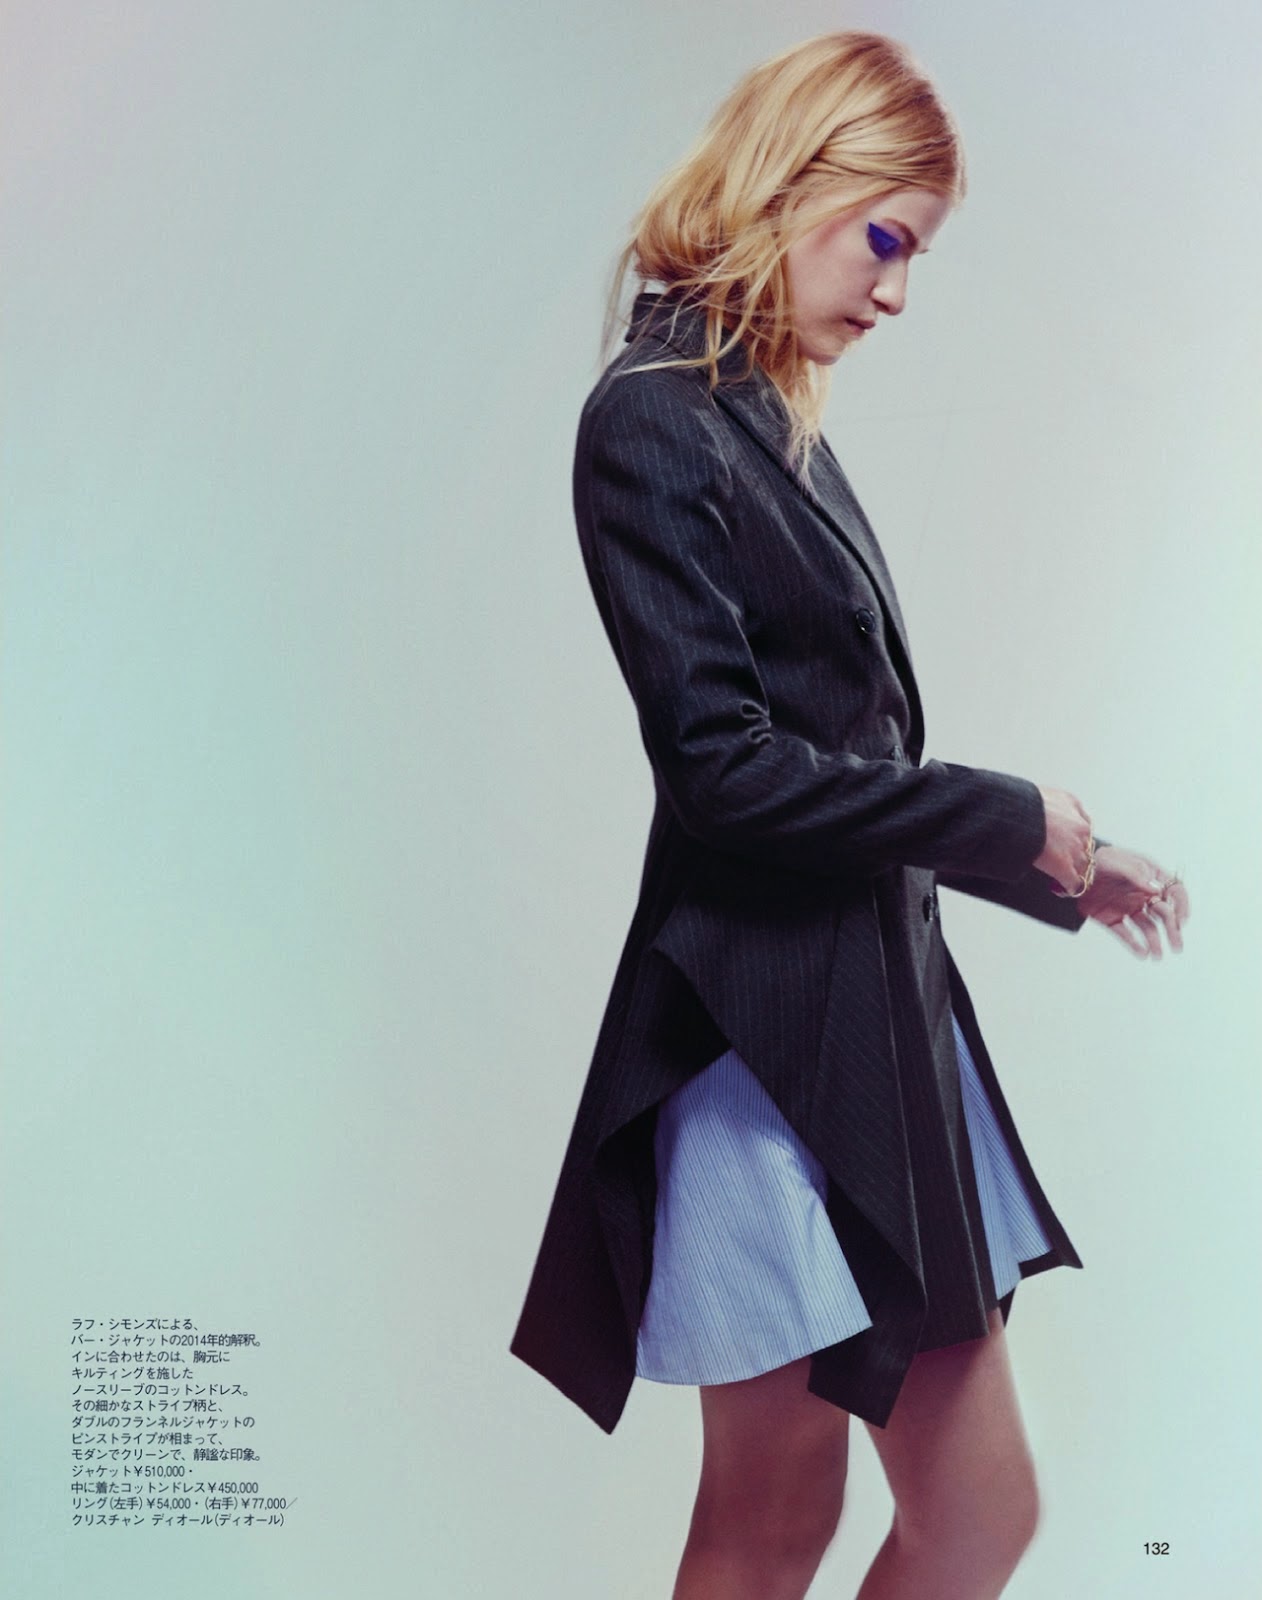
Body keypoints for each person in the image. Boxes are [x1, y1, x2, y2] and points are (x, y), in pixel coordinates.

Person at [510, 29, 1189, 1600]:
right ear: (790, 179)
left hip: (874, 1022)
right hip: (760, 1043)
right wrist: (1008, 817)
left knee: (973, 1515)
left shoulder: (761, 410)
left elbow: (842, 751)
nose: (894, 293)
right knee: (771, 1528)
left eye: (913, 256)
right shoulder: (652, 418)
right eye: (885, 238)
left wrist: (1058, 864)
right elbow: (722, 770)